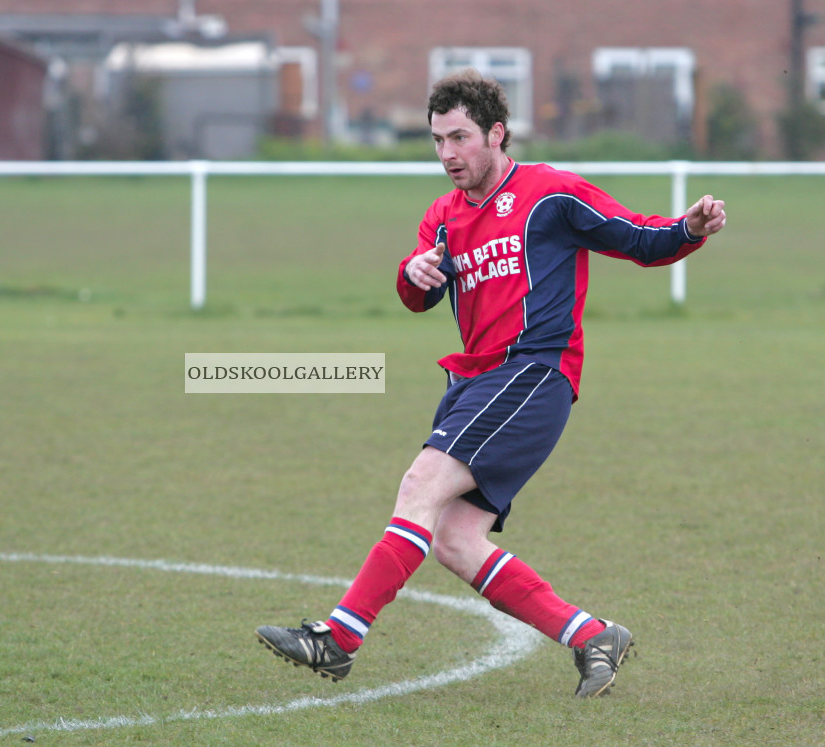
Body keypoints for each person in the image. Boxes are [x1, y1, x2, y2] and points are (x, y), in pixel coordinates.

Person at [255, 68, 727, 698]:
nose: (447, 154)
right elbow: (417, 298)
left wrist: (691, 228)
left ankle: (338, 640)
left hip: (534, 372)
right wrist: (413, 271)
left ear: (497, 133)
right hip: (478, 380)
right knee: (453, 538)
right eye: (436, 140)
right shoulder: (443, 217)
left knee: (419, 484)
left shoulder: (552, 194)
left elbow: (640, 240)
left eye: (460, 137)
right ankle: (592, 636)